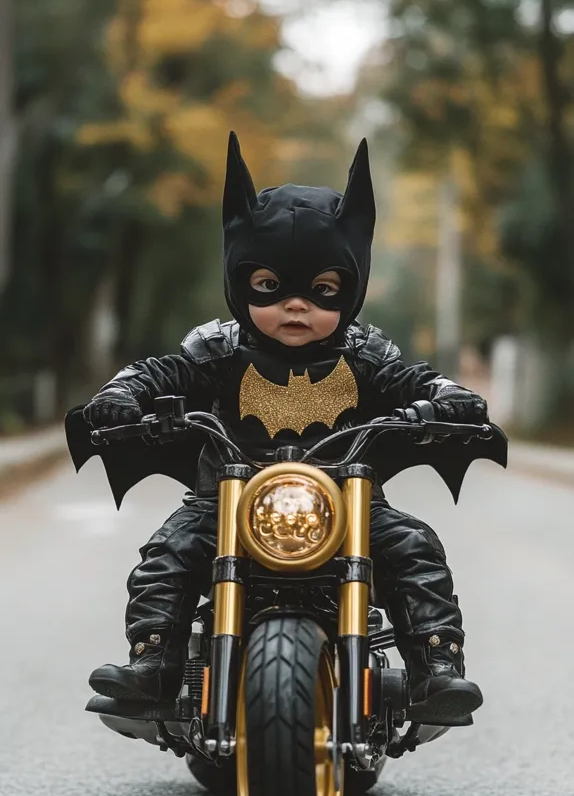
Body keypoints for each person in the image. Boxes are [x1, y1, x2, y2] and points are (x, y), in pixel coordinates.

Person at [85, 132, 486, 726]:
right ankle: (154, 663)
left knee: (413, 547)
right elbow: (160, 372)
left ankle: (436, 667)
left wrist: (449, 398)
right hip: (225, 502)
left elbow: (414, 380)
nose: (296, 306)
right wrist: (122, 396)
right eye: (270, 288)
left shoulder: (366, 354)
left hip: (348, 504)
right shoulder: (217, 350)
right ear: (239, 280)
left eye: (323, 291)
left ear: (350, 289)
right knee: (168, 554)